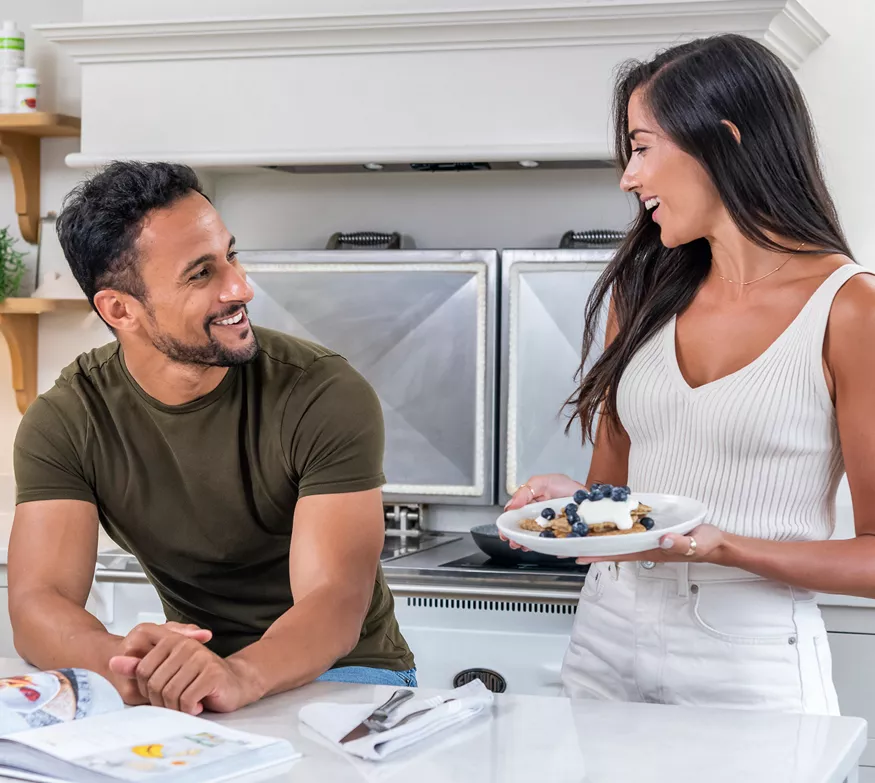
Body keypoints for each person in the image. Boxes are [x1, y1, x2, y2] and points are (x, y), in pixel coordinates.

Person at [505, 34, 875, 715]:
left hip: (748, 658)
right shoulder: (641, 294)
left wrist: (723, 546)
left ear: (723, 140)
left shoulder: (850, 310)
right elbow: (615, 496)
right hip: (605, 636)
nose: (627, 176)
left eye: (641, 147)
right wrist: (576, 505)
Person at [8, 161, 415, 715]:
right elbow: (39, 601)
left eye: (231, 254)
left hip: (346, 674)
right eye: (201, 273)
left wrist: (239, 675)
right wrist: (121, 661)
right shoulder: (69, 419)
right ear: (120, 309)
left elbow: (336, 599)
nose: (240, 286)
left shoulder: (321, 391)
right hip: (192, 685)